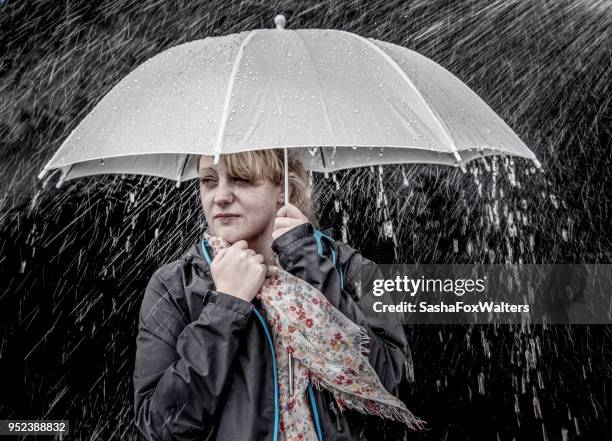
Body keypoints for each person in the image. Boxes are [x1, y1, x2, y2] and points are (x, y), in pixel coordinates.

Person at [133, 149, 418, 441]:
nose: (220, 196)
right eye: (208, 180)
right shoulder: (176, 285)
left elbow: (387, 383)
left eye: (241, 179)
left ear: (284, 189)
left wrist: (310, 264)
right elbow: (162, 426)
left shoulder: (348, 269)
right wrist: (226, 307)